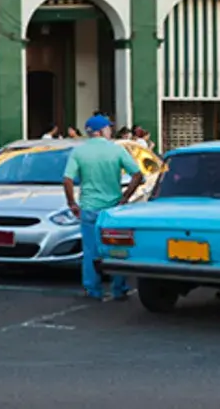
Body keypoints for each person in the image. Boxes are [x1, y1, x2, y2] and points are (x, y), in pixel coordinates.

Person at [63, 114, 143, 303]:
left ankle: (93, 289)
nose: (110, 131)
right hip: (113, 208)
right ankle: (119, 288)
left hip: (89, 207)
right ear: (100, 131)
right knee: (117, 249)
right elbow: (137, 175)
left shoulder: (79, 152)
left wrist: (72, 203)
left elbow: (67, 179)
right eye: (108, 128)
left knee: (91, 251)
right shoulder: (117, 150)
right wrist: (125, 198)